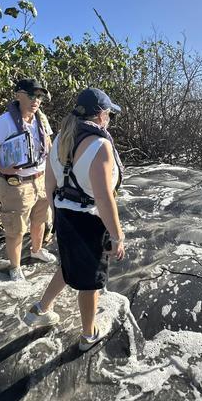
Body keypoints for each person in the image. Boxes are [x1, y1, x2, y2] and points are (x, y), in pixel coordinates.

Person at [23, 87, 125, 351]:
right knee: (91, 283)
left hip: (65, 215)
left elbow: (50, 184)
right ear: (101, 115)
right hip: (89, 220)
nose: (109, 119)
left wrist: (58, 217)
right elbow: (104, 198)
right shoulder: (99, 145)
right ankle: (88, 335)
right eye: (109, 114)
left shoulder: (61, 138)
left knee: (69, 263)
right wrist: (117, 236)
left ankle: (40, 308)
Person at [0, 78, 57, 281]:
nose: (36, 100)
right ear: (19, 95)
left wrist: (54, 174)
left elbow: (49, 146)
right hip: (16, 184)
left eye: (40, 96)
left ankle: (36, 250)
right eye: (32, 95)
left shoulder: (41, 119)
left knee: (40, 219)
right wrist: (1, 167)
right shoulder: (5, 121)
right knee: (15, 228)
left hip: (40, 179)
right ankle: (15, 267)